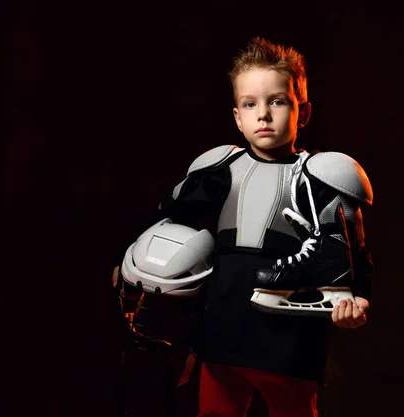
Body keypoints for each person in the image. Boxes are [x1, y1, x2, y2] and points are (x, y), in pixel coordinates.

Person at [112, 36, 374, 417]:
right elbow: (164, 219)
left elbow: (353, 250)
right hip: (220, 329)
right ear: (237, 116)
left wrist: (357, 299)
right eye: (250, 104)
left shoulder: (322, 177)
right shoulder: (219, 171)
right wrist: (127, 265)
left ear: (303, 112)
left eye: (278, 101)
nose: (263, 114)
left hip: (290, 338)